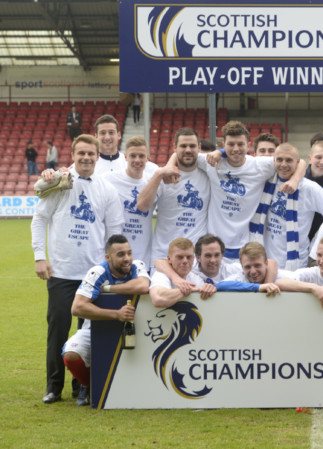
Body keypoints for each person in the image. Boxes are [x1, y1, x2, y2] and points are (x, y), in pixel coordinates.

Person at [31, 134, 124, 404]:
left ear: (97, 156)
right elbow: (39, 220)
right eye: (80, 153)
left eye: (90, 154)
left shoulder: (106, 189)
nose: (86, 158)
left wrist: (111, 267)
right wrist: (40, 256)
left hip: (92, 275)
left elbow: (115, 232)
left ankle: (83, 387)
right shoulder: (58, 182)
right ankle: (54, 386)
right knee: (57, 330)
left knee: (88, 333)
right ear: (73, 155)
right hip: (61, 272)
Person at [62, 235, 150, 406]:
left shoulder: (137, 266)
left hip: (136, 327)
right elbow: (77, 308)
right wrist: (116, 314)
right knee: (71, 355)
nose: (127, 259)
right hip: (96, 327)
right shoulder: (97, 273)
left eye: (129, 253)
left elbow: (142, 286)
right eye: (120, 254)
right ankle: (88, 385)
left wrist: (108, 289)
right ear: (108, 257)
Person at [199, 121, 306, 261]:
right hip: (214, 246)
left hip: (246, 247)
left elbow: (300, 162)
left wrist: (294, 180)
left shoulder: (260, 165)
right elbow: (179, 155)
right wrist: (219, 152)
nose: (236, 149)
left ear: (248, 145)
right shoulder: (211, 162)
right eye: (230, 144)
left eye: (240, 144)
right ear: (223, 144)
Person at [249, 143, 323, 270]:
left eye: (289, 160)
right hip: (265, 263)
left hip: (296, 264)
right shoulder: (264, 182)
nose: (284, 164)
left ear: (297, 162)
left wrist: (316, 244)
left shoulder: (310, 188)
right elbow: (239, 160)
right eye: (280, 160)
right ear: (274, 160)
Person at [137, 128, 211, 264]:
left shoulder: (209, 175)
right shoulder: (163, 176)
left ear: (199, 147)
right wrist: (159, 174)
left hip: (195, 259)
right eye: (183, 146)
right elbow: (142, 206)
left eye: (192, 146)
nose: (188, 150)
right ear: (174, 147)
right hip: (164, 257)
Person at [104, 136, 156, 267]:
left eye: (141, 156)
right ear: (126, 157)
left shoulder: (153, 182)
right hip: (116, 257)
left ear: (147, 158)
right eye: (133, 156)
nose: (137, 160)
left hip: (144, 258)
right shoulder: (109, 179)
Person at [149, 238, 209, 307]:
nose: (185, 261)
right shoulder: (161, 275)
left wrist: (209, 289)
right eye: (180, 257)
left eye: (189, 257)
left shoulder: (195, 278)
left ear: (193, 259)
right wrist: (187, 290)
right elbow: (158, 299)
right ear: (169, 259)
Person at [217, 242, 283, 291]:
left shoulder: (279, 276)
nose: (253, 271)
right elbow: (220, 286)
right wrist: (259, 287)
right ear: (242, 267)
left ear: (266, 263)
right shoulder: (241, 277)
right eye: (247, 267)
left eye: (257, 265)